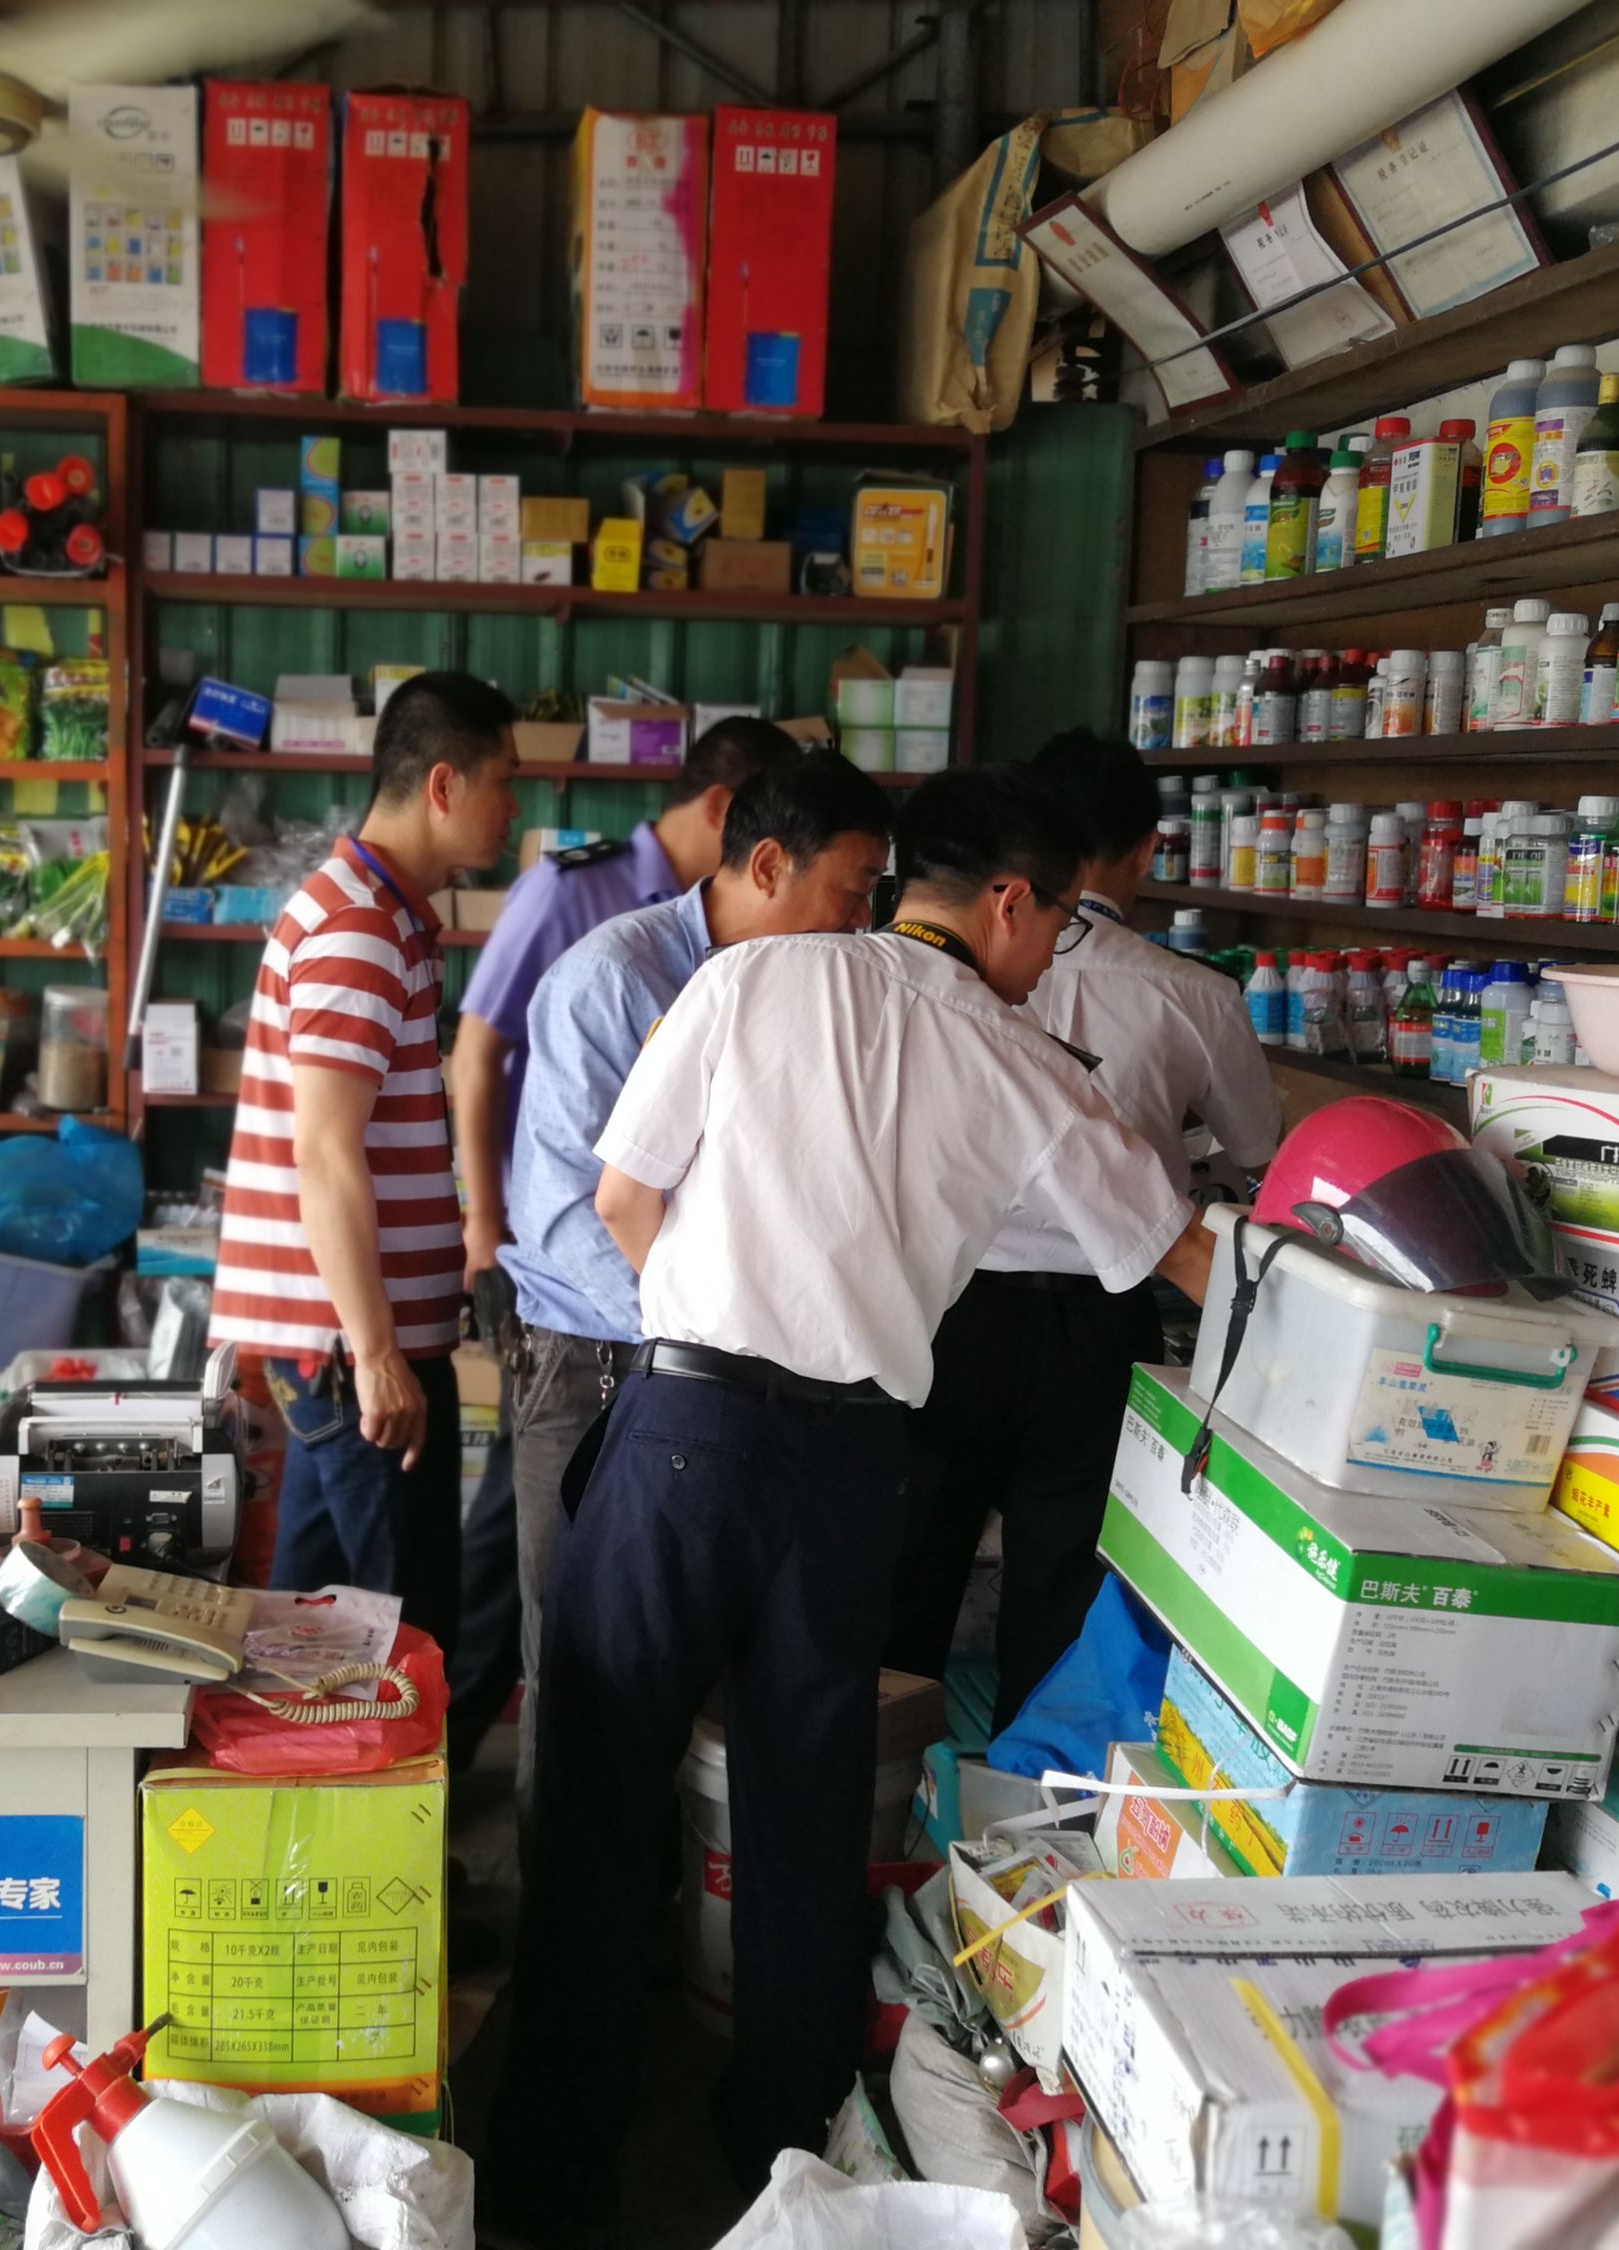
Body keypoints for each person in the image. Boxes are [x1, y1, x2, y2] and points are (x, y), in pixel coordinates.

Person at [484, 768, 1211, 2226]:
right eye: (1058, 923)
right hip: (846, 1467)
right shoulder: (1026, 1059)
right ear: (1010, 903)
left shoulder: (749, 978)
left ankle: (555, 2171)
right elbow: (1169, 1248)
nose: (1051, 953)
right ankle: (787, 2162)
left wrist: (714, 1317)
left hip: (682, 1432)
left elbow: (622, 1197)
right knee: (806, 1819)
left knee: (602, 1791)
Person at [495, 747, 895, 1807]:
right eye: (852, 890)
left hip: (735, 1377)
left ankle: (685, 1907)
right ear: (768, 865)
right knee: (585, 1673)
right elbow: (572, 1210)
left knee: (708, 1668)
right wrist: (713, 1321)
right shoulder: (613, 981)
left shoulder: (822, 995)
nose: (863, 922)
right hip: (598, 1361)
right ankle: (566, 1916)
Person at [885, 731, 1283, 1730]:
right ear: (1145, 848)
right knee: (1063, 1590)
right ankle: (1036, 1797)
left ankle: (884, 1787)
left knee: (907, 1574)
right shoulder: (1191, 993)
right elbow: (1260, 1162)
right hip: (1100, 1323)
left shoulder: (914, 983)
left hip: (945, 1312)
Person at [439, 719, 804, 1759]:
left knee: (622, 1618)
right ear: (741, 822)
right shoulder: (578, 901)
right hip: (584, 1291)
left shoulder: (760, 950)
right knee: (547, 1591)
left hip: (672, 1308)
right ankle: (473, 1762)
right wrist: (483, 1227)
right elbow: (479, 1057)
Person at [206, 670, 521, 1648]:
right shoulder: (360, 929)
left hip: (344, 1338)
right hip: (350, 1346)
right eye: (504, 784)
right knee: (405, 1633)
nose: (514, 811)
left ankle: (272, 1752)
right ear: (443, 785)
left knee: (306, 1619)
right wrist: (379, 1353)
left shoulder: (380, 913)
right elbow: (326, 1151)